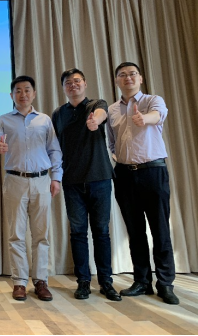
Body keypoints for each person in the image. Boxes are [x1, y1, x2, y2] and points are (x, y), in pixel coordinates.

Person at [106, 62, 179, 305]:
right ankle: (142, 281)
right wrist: (117, 157)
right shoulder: (112, 109)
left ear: (140, 78)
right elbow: (111, 141)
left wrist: (144, 118)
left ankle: (165, 283)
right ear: (116, 81)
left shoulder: (152, 101)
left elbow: (159, 115)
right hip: (125, 174)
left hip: (153, 171)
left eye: (132, 74)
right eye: (122, 75)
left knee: (160, 229)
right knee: (135, 230)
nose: (127, 78)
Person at [0, 76, 63, 302]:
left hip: (41, 180)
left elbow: (54, 150)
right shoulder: (3, 120)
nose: (23, 94)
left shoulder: (44, 120)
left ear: (34, 93)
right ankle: (19, 282)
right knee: (16, 234)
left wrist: (56, 178)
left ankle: (41, 281)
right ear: (12, 95)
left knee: (41, 235)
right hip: (15, 180)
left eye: (27, 90)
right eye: (18, 91)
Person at [52, 69, 121, 302]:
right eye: (68, 83)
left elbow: (101, 114)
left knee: (101, 232)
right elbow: (54, 146)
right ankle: (83, 281)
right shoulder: (58, 114)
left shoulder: (96, 104)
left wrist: (95, 121)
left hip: (99, 179)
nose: (73, 85)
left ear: (85, 83)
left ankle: (106, 282)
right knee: (78, 233)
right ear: (63, 87)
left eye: (77, 81)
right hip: (71, 181)